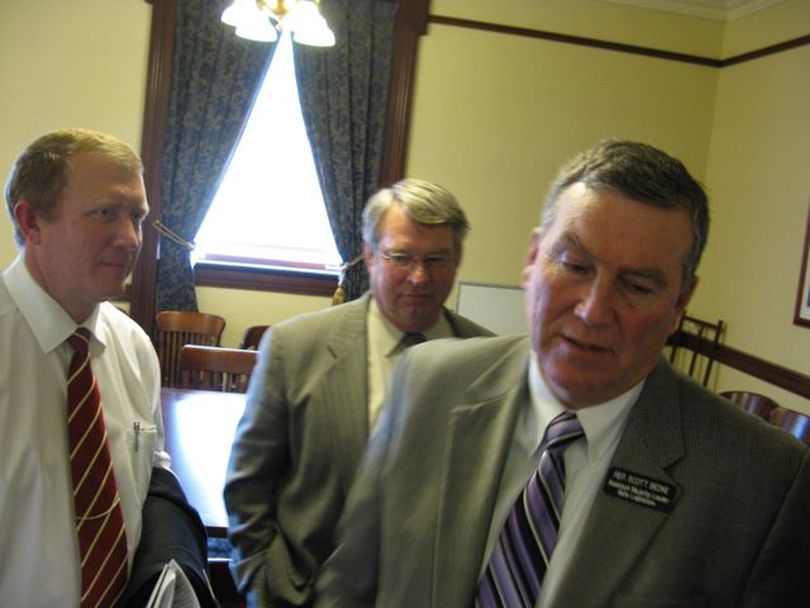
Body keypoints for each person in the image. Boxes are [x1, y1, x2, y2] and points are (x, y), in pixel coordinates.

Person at [316, 140, 810, 607]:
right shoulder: (426, 383)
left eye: (637, 286)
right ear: (533, 259)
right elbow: (349, 584)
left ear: (680, 301)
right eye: (574, 266)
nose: (594, 310)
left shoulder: (762, 481)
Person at [224, 178, 493, 606]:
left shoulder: (489, 364)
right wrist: (267, 586)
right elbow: (248, 489)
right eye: (400, 257)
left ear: (457, 259)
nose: (419, 277)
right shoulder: (294, 349)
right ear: (369, 255)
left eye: (436, 259)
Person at [0, 128, 215, 607]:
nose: (131, 238)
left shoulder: (134, 346)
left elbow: (148, 470)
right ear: (31, 222)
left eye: (137, 216)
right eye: (105, 213)